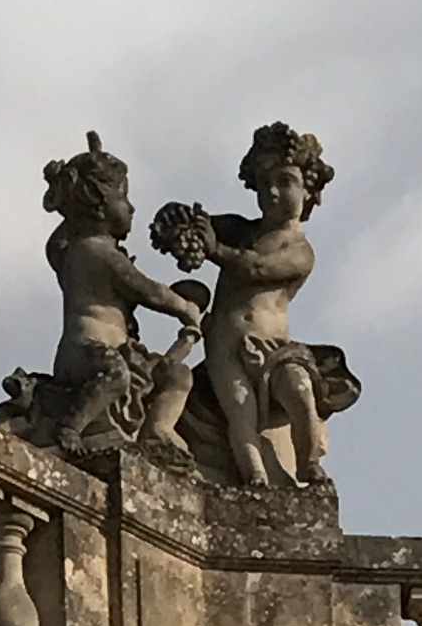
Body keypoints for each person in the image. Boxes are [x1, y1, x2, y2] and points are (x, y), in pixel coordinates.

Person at [153, 123, 358, 491]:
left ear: (309, 191)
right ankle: (256, 480)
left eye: (285, 181)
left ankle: (309, 464)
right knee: (240, 412)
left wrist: (213, 249)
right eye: (264, 186)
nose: (273, 193)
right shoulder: (240, 228)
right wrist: (178, 221)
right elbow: (200, 225)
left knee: (299, 392)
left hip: (274, 346)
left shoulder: (300, 251)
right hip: (225, 341)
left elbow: (256, 268)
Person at [0, 133, 202, 463]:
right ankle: (71, 426)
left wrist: (72, 200)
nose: (132, 208)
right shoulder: (96, 251)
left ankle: (157, 431)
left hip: (120, 350)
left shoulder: (73, 249)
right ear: (98, 203)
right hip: (84, 352)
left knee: (177, 375)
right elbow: (148, 290)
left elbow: (55, 245)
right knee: (117, 377)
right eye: (124, 198)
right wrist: (185, 308)